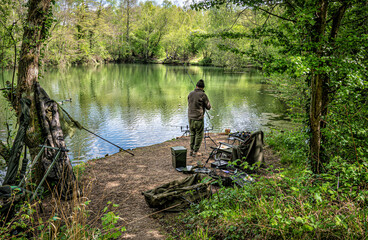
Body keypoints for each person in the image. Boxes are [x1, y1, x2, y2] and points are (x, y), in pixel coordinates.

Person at [188, 79, 211, 157]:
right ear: (203, 88)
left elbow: (190, 103)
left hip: (190, 118)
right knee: (199, 135)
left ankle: (191, 150)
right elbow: (208, 107)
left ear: (196, 86)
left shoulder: (190, 94)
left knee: (192, 134)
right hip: (198, 118)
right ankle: (195, 151)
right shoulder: (203, 95)